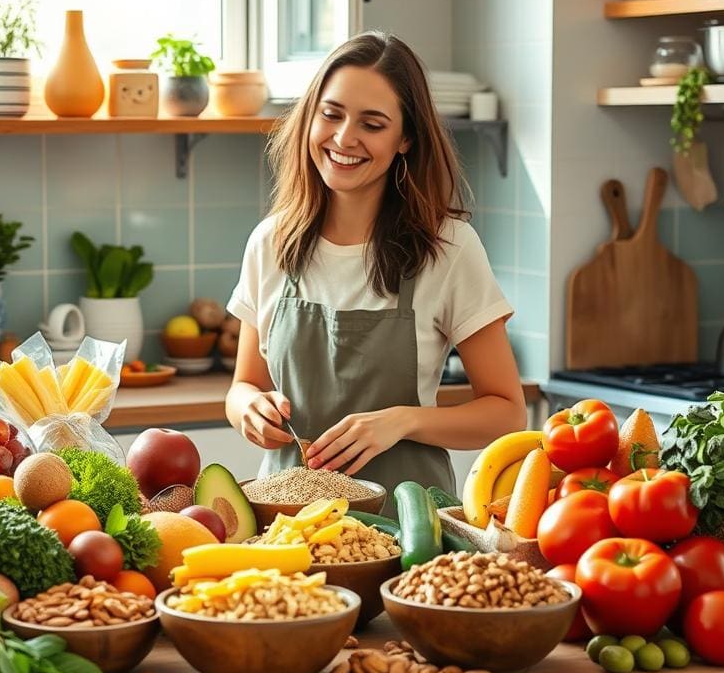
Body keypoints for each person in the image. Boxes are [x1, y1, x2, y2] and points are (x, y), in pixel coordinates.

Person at [224, 31, 526, 503]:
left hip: (412, 534)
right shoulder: (272, 242)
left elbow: (507, 413)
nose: (345, 138)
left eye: (373, 123)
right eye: (332, 114)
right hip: (286, 527)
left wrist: (404, 419)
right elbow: (244, 384)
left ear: (406, 138)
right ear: (310, 118)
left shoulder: (449, 249)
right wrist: (248, 408)